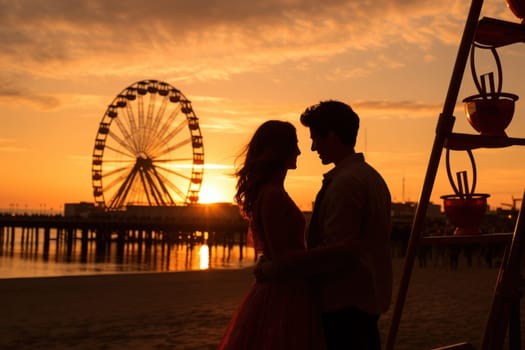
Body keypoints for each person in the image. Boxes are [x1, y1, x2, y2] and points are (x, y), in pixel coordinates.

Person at [256, 100, 393, 349]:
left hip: (344, 304)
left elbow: (336, 253)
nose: (311, 147)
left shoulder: (345, 183)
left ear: (331, 135)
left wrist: (275, 268)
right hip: (368, 298)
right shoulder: (372, 177)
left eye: (315, 138)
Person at [218, 120, 325, 350]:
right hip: (284, 293)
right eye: (294, 145)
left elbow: (274, 255)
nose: (299, 151)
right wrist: (333, 252)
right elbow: (283, 258)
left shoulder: (269, 193)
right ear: (278, 151)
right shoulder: (273, 195)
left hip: (280, 289)